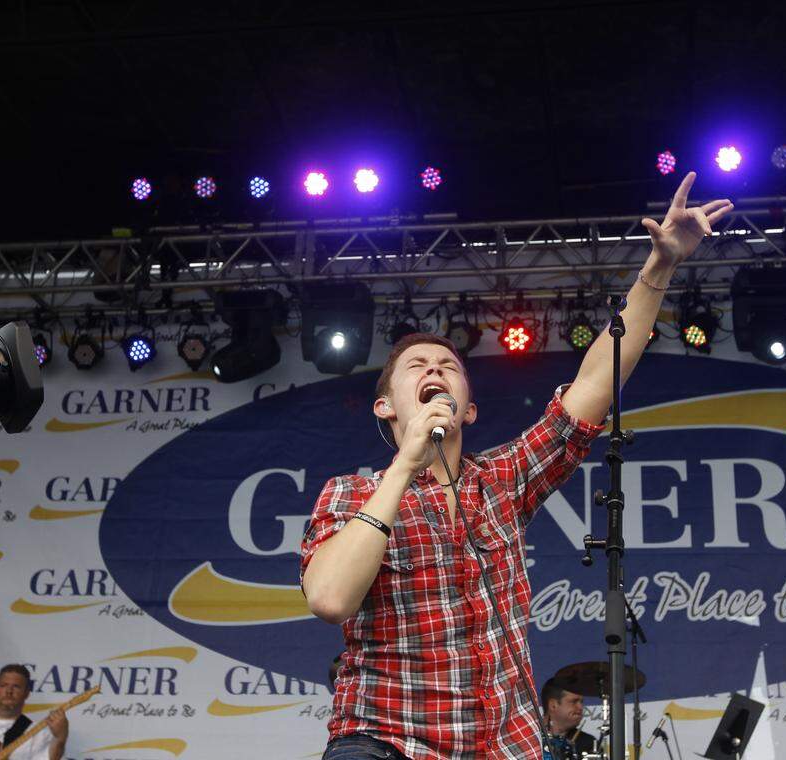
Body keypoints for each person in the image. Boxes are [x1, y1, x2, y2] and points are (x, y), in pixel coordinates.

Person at [301, 172, 732, 760]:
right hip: (387, 740)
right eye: (416, 366)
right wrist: (405, 466)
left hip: (504, 746)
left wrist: (660, 266)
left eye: (449, 366)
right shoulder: (351, 493)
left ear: (469, 407)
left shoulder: (500, 479)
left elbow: (595, 383)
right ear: (385, 406)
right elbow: (328, 599)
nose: (434, 370)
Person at [541, 679, 597, 757]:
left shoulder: (588, 743)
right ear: (553, 705)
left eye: (581, 702)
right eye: (574, 701)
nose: (580, 707)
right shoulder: (530, 737)